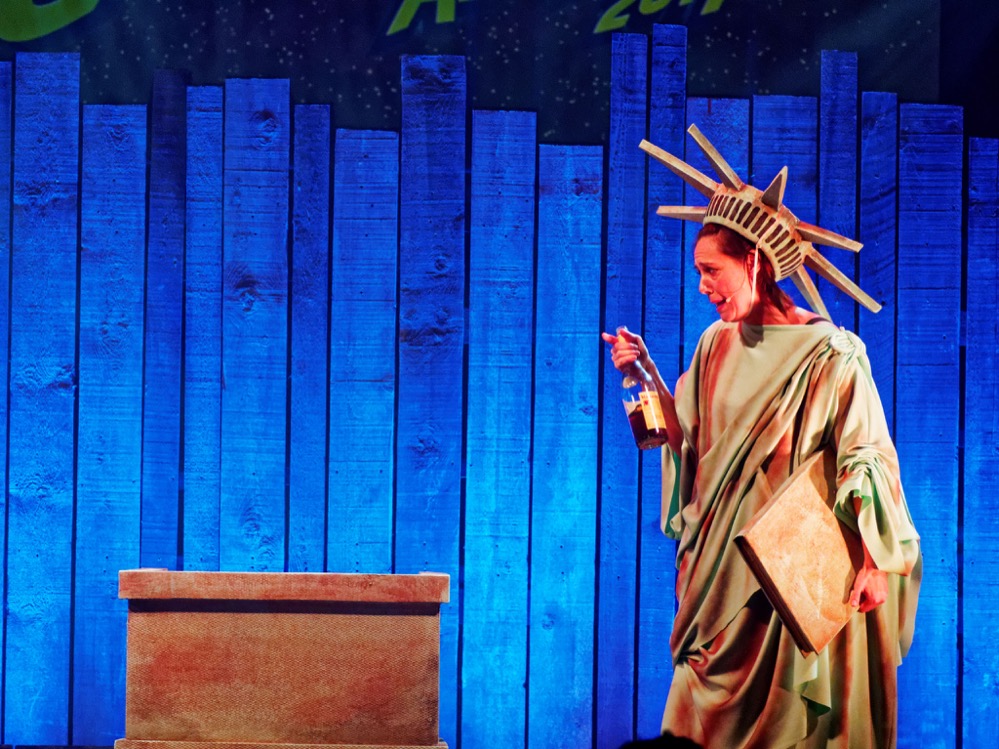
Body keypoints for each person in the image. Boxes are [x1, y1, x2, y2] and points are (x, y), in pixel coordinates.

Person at [601, 132, 922, 748]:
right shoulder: (713, 344)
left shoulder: (831, 354)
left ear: (753, 262)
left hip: (788, 571)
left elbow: (866, 458)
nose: (703, 287)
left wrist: (872, 561)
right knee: (696, 718)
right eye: (699, 273)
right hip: (718, 573)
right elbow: (688, 441)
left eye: (711, 271)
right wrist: (644, 374)